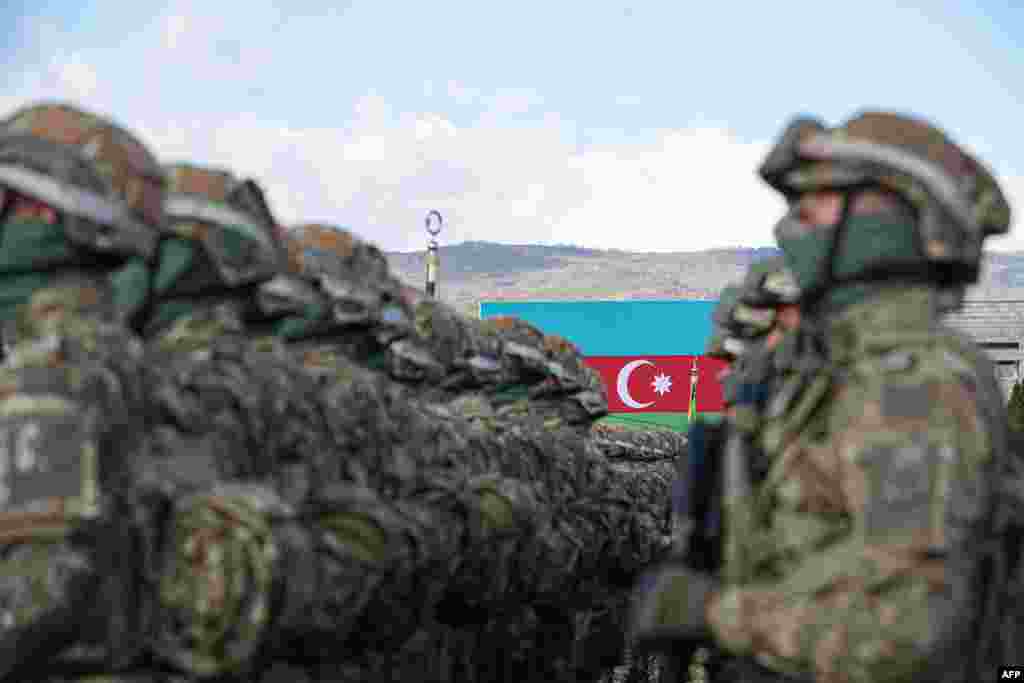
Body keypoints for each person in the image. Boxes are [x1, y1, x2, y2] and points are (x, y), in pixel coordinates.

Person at [630, 110, 1013, 683]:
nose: (793, 223)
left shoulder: (911, 381)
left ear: (896, 217)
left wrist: (714, 613)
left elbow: (901, 636)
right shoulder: (853, 371)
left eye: (819, 200)